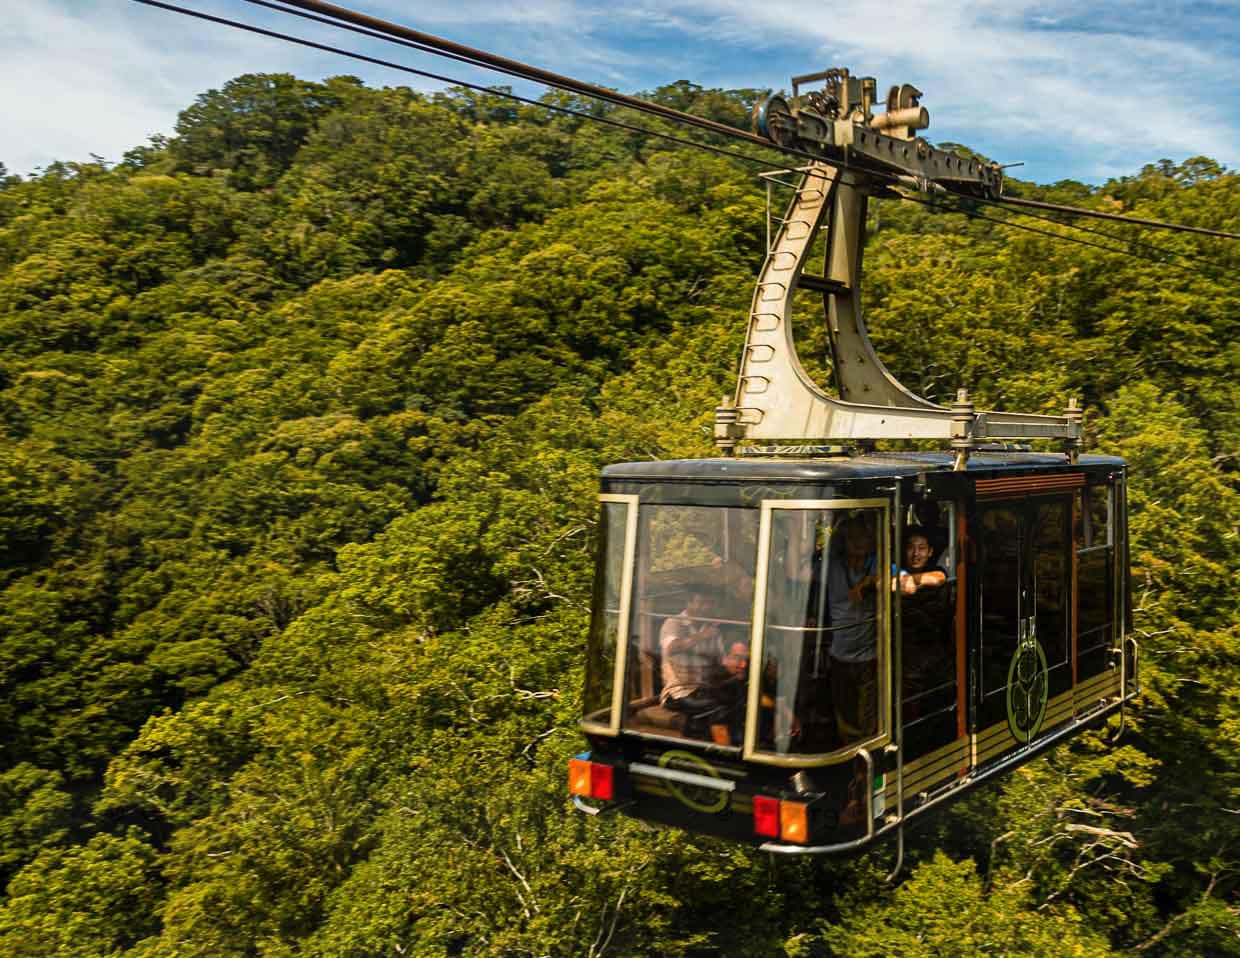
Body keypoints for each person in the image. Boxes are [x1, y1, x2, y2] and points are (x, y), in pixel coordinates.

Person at [828, 515, 879, 743]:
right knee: (845, 717)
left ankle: (867, 769)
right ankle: (851, 763)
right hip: (839, 654)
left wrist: (868, 583)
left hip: (870, 656)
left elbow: (895, 574)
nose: (858, 542)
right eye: (852, 538)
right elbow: (795, 575)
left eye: (863, 537)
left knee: (869, 718)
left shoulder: (878, 561)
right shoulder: (832, 566)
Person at [659, 588, 733, 745]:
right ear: (689, 603)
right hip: (680, 692)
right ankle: (724, 752)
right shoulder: (673, 623)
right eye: (701, 603)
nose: (706, 608)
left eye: (710, 603)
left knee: (738, 701)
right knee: (718, 708)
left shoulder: (712, 628)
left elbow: (721, 661)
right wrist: (703, 636)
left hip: (705, 689)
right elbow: (672, 647)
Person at [897, 530, 948, 595]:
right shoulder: (896, 569)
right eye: (910, 547)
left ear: (930, 552)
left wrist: (904, 579)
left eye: (921, 548)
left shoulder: (935, 570)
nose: (915, 553)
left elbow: (939, 577)